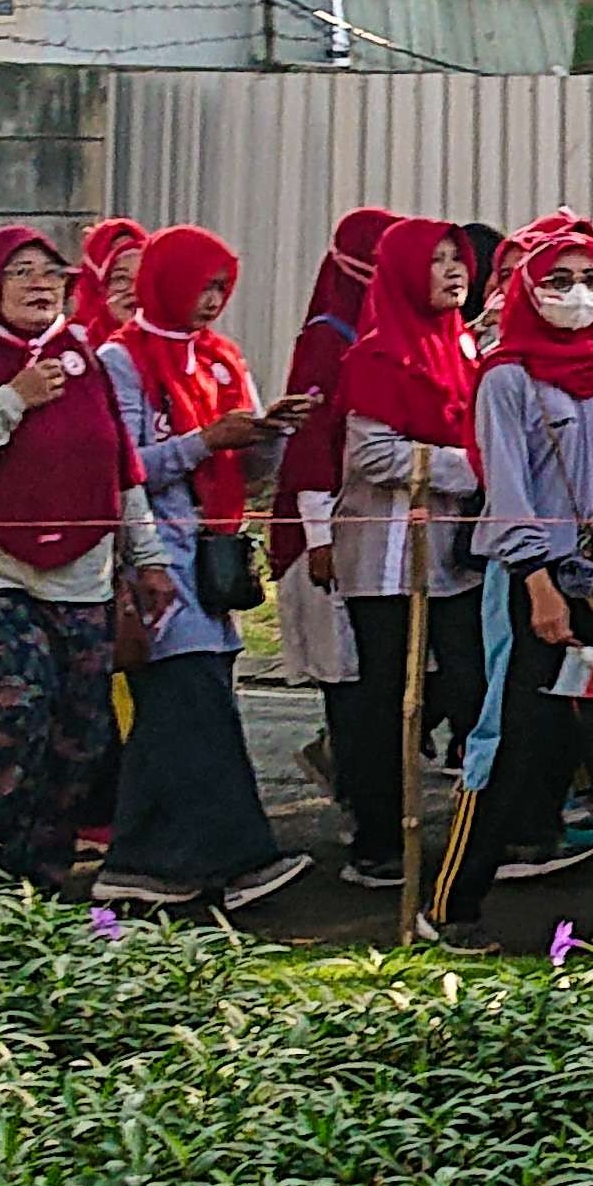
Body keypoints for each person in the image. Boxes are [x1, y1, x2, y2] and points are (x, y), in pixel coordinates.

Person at [0, 225, 177, 893]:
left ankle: (44, 893)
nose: (38, 285)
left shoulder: (86, 362)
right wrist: (10, 401)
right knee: (9, 720)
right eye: (20, 271)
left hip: (79, 574)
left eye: (51, 274)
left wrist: (148, 557)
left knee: (77, 735)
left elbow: (122, 469)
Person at [438, 215, 593, 936]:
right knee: (516, 741)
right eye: (560, 280)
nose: (578, 294)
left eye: (592, 280)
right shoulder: (507, 377)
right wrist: (538, 582)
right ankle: (455, 903)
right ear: (529, 289)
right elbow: (507, 487)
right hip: (537, 588)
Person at [95, 224, 313, 914]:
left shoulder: (222, 358)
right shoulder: (122, 359)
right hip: (155, 553)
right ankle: (239, 855)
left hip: (214, 555)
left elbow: (246, 469)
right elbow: (124, 465)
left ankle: (144, 858)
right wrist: (202, 441)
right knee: (192, 706)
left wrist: (268, 434)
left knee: (182, 712)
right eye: (202, 285)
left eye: (222, 286)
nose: (213, 300)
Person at [318, 216, 491, 890]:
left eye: (459, 259)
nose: (454, 270)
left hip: (451, 548)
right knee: (385, 697)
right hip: (387, 550)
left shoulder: (466, 346)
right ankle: (378, 835)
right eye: (437, 260)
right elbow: (373, 453)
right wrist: (468, 466)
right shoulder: (376, 352)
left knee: (467, 684)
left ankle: (471, 832)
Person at [268, 206, 393, 794]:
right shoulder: (328, 337)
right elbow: (311, 442)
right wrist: (319, 537)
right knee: (351, 676)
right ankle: (356, 789)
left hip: (375, 524)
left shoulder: (385, 330)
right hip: (334, 528)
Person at [69, 218, 148, 347]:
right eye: (121, 278)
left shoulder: (168, 334)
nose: (133, 289)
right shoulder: (74, 338)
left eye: (141, 276)